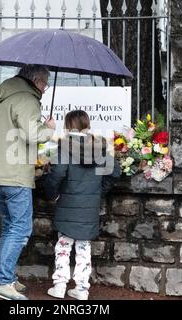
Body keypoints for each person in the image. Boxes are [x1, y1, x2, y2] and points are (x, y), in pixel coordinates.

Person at [0, 64, 56, 300]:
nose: (46, 89)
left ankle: (7, 277)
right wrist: (48, 128)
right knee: (21, 228)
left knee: (10, 226)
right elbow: (34, 135)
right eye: (45, 83)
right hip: (14, 174)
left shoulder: (0, 96)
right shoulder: (27, 99)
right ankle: (3, 281)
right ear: (36, 80)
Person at [41, 110, 120, 300]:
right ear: (87, 124)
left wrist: (52, 195)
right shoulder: (99, 147)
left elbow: (56, 175)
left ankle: (59, 287)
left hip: (67, 203)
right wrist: (99, 191)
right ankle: (82, 289)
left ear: (68, 126)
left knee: (63, 246)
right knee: (84, 248)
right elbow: (115, 172)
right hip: (89, 206)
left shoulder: (64, 148)